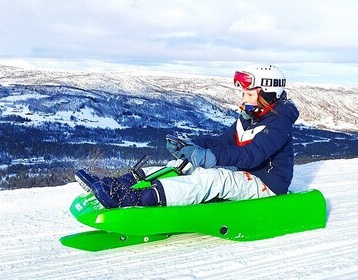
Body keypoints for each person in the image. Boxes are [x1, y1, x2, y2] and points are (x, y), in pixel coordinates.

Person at [75, 65, 299, 208]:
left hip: (267, 184)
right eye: (243, 93)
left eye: (249, 94)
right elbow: (224, 141)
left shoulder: (279, 124)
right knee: (182, 164)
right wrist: (191, 146)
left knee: (214, 179)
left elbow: (251, 156)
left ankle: (133, 199)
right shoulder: (250, 117)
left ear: (269, 94)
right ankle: (117, 184)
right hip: (244, 172)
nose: (243, 98)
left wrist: (208, 156)